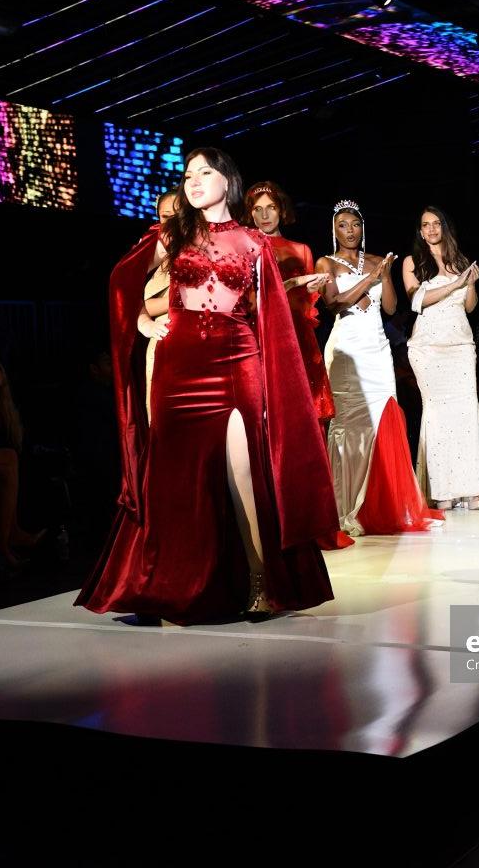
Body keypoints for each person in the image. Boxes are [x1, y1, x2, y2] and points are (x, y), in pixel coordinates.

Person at [76, 148, 337, 624]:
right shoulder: (173, 234)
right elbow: (121, 284)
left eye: (205, 172)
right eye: (188, 174)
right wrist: (142, 323)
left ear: (227, 180)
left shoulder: (254, 242)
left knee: (243, 474)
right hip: (179, 366)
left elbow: (271, 315)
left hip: (239, 360)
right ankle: (164, 585)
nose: (193, 180)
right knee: (173, 476)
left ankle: (261, 583)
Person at [316, 201, 442, 536]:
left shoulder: (376, 261)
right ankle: (345, 505)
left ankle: (382, 505)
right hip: (347, 351)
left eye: (355, 224)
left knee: (384, 419)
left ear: (363, 227)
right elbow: (333, 303)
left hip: (377, 350)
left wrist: (384, 275)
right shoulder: (326, 262)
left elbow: (390, 307)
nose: (350, 231)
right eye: (343, 225)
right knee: (347, 425)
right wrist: (369, 278)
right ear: (334, 230)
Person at [402, 206, 479, 511]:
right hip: (428, 348)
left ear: (444, 227)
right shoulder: (412, 262)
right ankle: (443, 488)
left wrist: (469, 284)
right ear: (420, 232)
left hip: (460, 345)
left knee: (466, 412)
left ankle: (473, 487)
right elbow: (417, 300)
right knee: (437, 415)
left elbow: (470, 307)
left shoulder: (459, 261)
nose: (431, 229)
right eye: (425, 225)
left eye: (436, 223)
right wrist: (456, 284)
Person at [244, 180, 334, 423]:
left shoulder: (301, 249)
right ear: (250, 213)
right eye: (257, 209)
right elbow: (253, 300)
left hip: (296, 332)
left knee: (300, 409)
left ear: (281, 210)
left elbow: (307, 306)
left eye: (271, 207)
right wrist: (295, 282)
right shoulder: (247, 250)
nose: (264, 215)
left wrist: (312, 291)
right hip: (261, 332)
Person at [0, 355, 44, 567]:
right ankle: (8, 540)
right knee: (9, 456)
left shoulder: (6, 409)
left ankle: (6, 541)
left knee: (7, 472)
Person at [139, 190, 177, 420]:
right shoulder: (156, 248)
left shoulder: (213, 244)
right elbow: (125, 291)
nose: (172, 222)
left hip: (209, 347)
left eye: (179, 214)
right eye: (165, 216)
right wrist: (144, 323)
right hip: (166, 345)